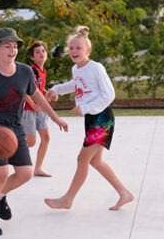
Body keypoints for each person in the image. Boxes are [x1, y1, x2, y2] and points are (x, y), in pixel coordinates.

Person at [0, 27, 68, 236]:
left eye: (15, 46)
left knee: (26, 173)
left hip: (15, 127)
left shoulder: (25, 71)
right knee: (1, 173)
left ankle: (0, 196)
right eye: (7, 46)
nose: (12, 50)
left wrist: (55, 118)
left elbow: (38, 97)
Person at [44, 26, 133, 211]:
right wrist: (56, 89)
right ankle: (124, 193)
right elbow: (76, 84)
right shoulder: (77, 69)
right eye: (72, 48)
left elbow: (109, 95)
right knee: (95, 161)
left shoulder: (96, 68)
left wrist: (85, 107)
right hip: (92, 119)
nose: (74, 51)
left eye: (78, 48)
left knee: (82, 160)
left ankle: (67, 199)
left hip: (102, 119)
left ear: (88, 50)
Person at [21, 41, 53, 177]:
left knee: (46, 138)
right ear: (32, 57)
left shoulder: (43, 71)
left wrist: (48, 93)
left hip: (40, 110)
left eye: (43, 51)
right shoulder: (31, 70)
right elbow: (23, 90)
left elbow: (38, 89)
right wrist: (33, 105)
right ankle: (8, 144)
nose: (41, 53)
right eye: (37, 52)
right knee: (31, 142)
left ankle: (38, 168)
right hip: (29, 110)